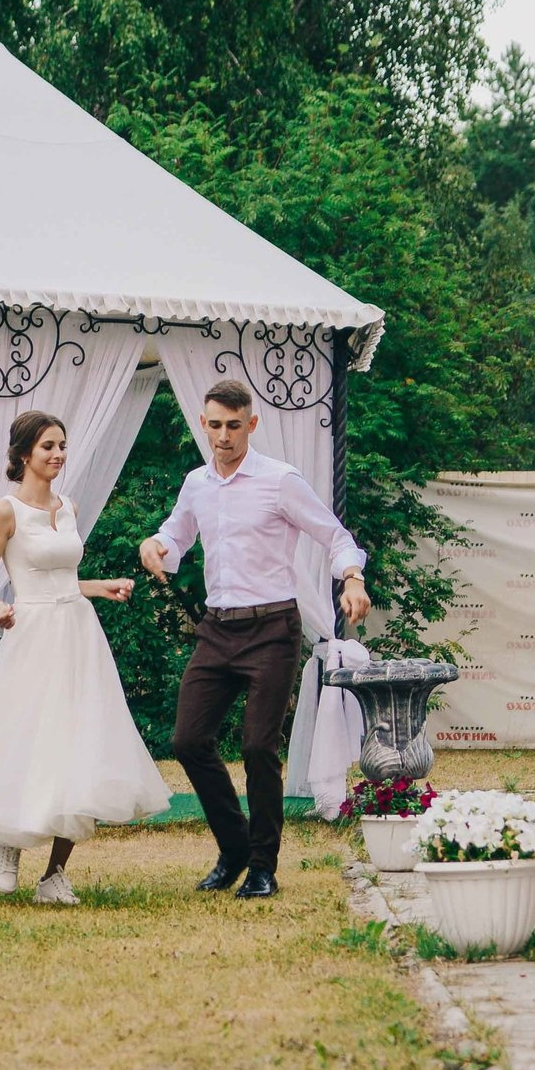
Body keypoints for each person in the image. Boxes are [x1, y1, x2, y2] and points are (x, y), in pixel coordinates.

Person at [140, 378, 370, 899]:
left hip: (272, 629)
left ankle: (263, 865)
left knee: (258, 747)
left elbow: (335, 535)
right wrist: (154, 545)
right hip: (217, 629)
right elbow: (176, 534)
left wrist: (352, 578)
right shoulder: (197, 482)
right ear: (203, 423)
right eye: (215, 425)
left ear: (252, 425)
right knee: (188, 740)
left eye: (234, 426)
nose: (223, 436)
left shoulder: (280, 480)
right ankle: (235, 847)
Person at [0, 412, 170, 901]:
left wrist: (100, 588)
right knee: (25, 738)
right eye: (48, 446)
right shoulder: (5, 511)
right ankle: (7, 840)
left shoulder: (69, 506)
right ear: (25, 453)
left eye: (62, 445)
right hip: (32, 634)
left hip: (78, 634)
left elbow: (63, 579)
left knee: (80, 743)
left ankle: (54, 875)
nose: (58, 454)